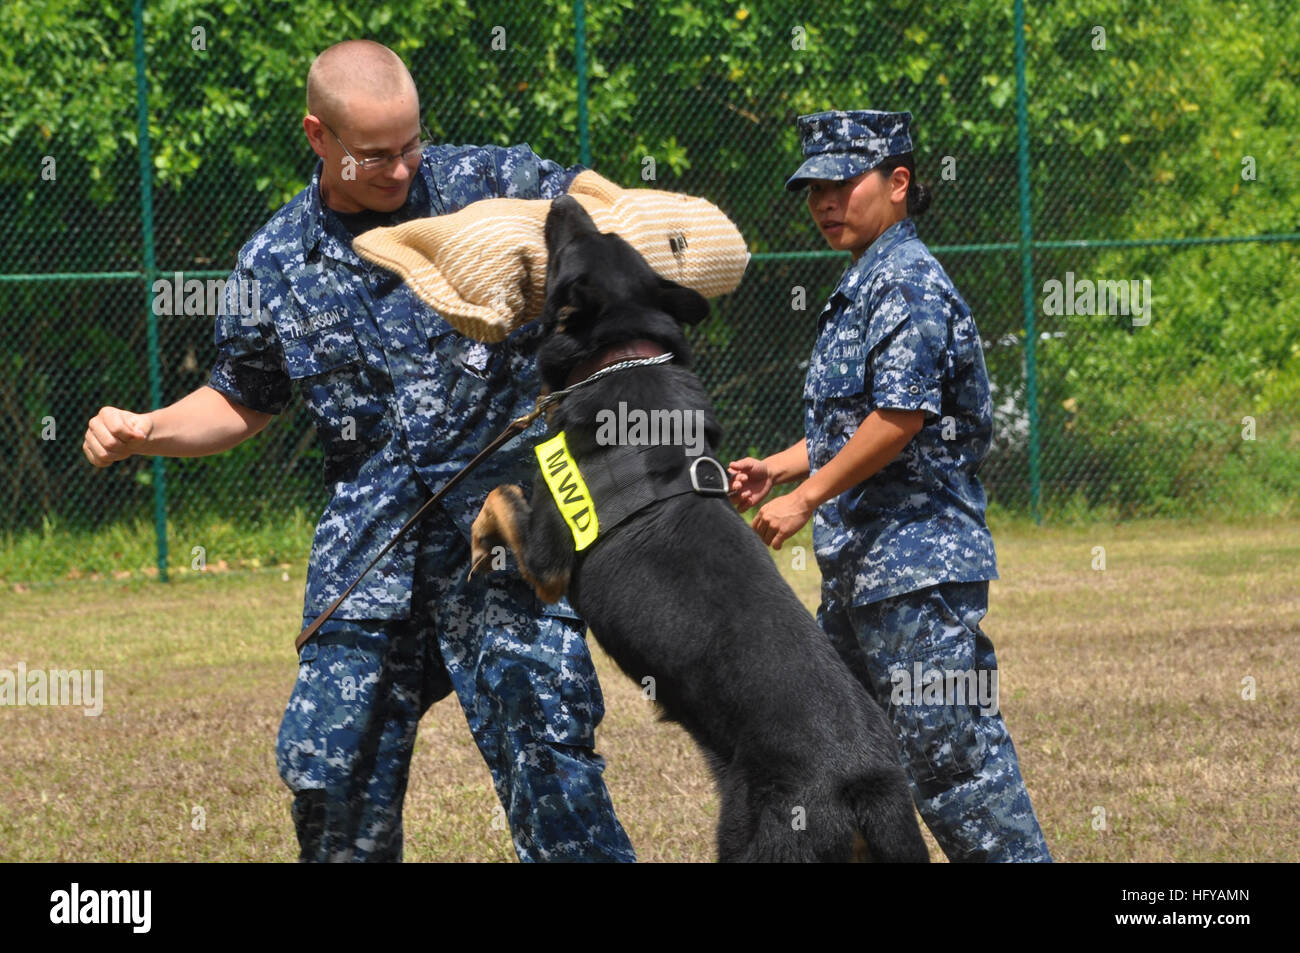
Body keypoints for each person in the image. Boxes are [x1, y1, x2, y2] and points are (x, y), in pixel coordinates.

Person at [82, 40, 634, 863]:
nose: (402, 168)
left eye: (411, 144)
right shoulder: (274, 262)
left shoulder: (493, 185)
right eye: (376, 154)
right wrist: (147, 430)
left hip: (510, 527)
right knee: (332, 773)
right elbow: (243, 396)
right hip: (371, 548)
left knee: (548, 751)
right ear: (318, 136)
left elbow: (613, 218)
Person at [727, 109, 1051, 862]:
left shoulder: (906, 280)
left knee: (954, 766)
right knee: (843, 763)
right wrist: (780, 466)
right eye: (813, 188)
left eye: (843, 182)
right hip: (864, 573)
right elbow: (858, 421)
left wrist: (806, 497)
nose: (824, 201)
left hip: (917, 571)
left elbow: (901, 417)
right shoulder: (864, 281)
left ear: (898, 182)